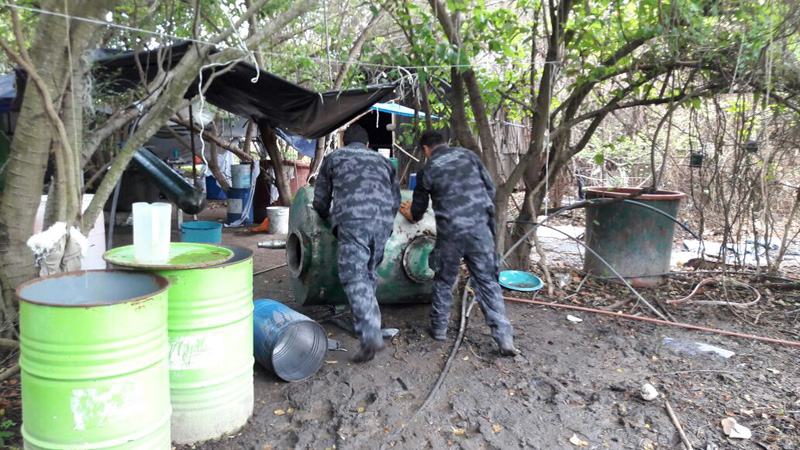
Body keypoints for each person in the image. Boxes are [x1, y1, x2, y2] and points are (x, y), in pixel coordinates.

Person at [399, 130, 516, 356]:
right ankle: (504, 338)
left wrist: (408, 210)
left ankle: (439, 329)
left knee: (444, 280)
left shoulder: (427, 170)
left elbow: (418, 212)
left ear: (426, 150)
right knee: (487, 282)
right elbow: (490, 189)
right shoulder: (469, 157)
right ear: (447, 142)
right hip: (480, 230)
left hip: (450, 233)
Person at [313, 125, 401, 362]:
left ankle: (370, 333)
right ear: (368, 144)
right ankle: (370, 329)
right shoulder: (384, 162)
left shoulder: (334, 158)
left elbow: (320, 200)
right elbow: (396, 200)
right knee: (369, 274)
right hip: (382, 223)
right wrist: (384, 221)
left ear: (344, 142)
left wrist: (325, 217)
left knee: (354, 278)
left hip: (353, 222)